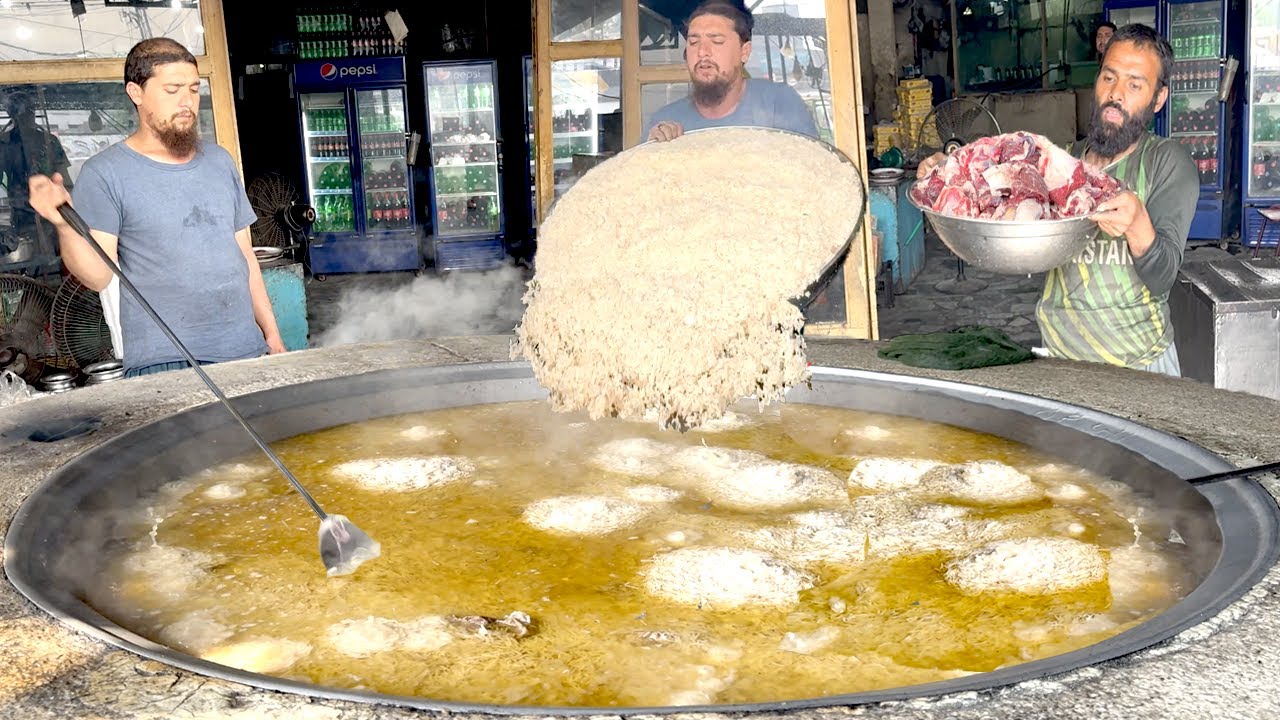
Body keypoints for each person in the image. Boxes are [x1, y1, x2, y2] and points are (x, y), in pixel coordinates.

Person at [917, 24, 1197, 377]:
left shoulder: (1167, 162)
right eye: (1109, 78)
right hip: (1060, 359)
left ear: (1158, 98)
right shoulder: (1063, 161)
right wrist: (950, 177)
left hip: (1139, 364)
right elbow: (999, 217)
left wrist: (1138, 224)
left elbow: (1163, 277)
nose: (1116, 94)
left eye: (1135, 84)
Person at [26, 37, 285, 377]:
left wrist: (272, 336)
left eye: (193, 89)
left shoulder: (220, 161)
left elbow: (245, 257)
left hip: (246, 349)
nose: (187, 102)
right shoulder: (105, 173)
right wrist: (62, 224)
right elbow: (98, 274)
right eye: (172, 89)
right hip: (165, 363)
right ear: (136, 93)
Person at [645, 0, 818, 142]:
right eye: (693, 42)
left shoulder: (778, 104)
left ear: (745, 52)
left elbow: (812, 173)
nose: (702, 51)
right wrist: (652, 152)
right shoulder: (665, 123)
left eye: (717, 41)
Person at [0, 86, 73, 251]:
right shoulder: (5, 144)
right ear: (13, 115)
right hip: (22, 217)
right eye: (22, 112)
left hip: (54, 213)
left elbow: (66, 180)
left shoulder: (50, 141)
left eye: (30, 110)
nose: (27, 115)